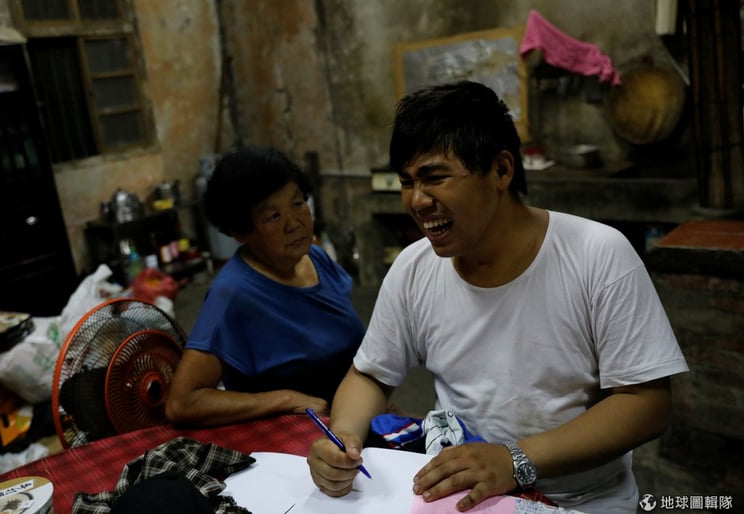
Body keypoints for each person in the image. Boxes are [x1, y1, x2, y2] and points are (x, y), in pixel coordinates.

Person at [306, 81, 688, 514]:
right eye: (407, 181)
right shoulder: (414, 268)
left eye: (435, 178)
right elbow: (372, 375)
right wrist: (343, 438)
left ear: (501, 171)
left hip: (581, 502)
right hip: (463, 493)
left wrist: (515, 459)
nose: (417, 200)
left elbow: (646, 403)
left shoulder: (597, 255)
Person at [165, 145, 365, 427]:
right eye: (273, 216)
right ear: (240, 231)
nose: (294, 223)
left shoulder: (316, 258)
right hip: (296, 437)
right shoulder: (233, 293)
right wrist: (287, 400)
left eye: (298, 204)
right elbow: (182, 403)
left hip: (354, 420)